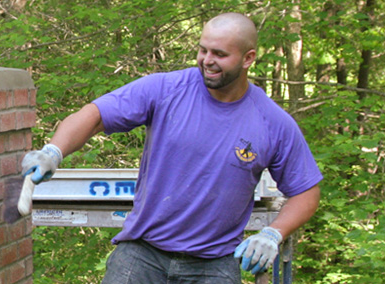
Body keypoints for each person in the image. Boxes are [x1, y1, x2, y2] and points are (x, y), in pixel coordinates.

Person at [21, 12, 322, 283]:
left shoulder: (272, 122)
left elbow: (306, 191)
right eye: (203, 50)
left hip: (215, 264)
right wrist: (54, 151)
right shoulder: (166, 90)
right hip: (142, 254)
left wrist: (273, 233)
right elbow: (94, 116)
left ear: (248, 58)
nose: (207, 60)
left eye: (220, 54)